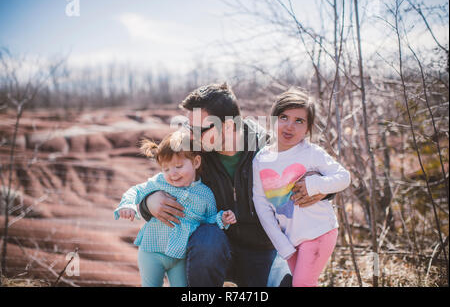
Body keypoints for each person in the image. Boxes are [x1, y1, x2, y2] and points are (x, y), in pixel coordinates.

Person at [137, 82, 330, 287]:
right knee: (206, 237)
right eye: (188, 127)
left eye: (198, 129)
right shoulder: (195, 153)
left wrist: (319, 187)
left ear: (228, 126)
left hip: (265, 249)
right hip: (215, 247)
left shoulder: (268, 148)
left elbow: (318, 170)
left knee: (287, 280)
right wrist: (148, 201)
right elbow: (161, 179)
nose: (191, 135)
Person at [252, 87, 351, 287]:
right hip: (290, 240)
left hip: (319, 231)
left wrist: (314, 185)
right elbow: (261, 203)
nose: (290, 126)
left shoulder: (311, 153)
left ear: (308, 128)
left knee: (302, 284)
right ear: (273, 120)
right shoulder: (261, 159)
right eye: (284, 117)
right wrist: (281, 244)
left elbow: (344, 177)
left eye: (299, 121)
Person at [114, 131, 236, 287]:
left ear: (196, 162)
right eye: (166, 169)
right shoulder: (159, 182)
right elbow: (136, 191)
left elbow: (208, 221)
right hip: (152, 251)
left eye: (178, 166)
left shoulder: (205, 194)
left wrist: (222, 218)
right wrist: (128, 204)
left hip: (180, 256)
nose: (172, 174)